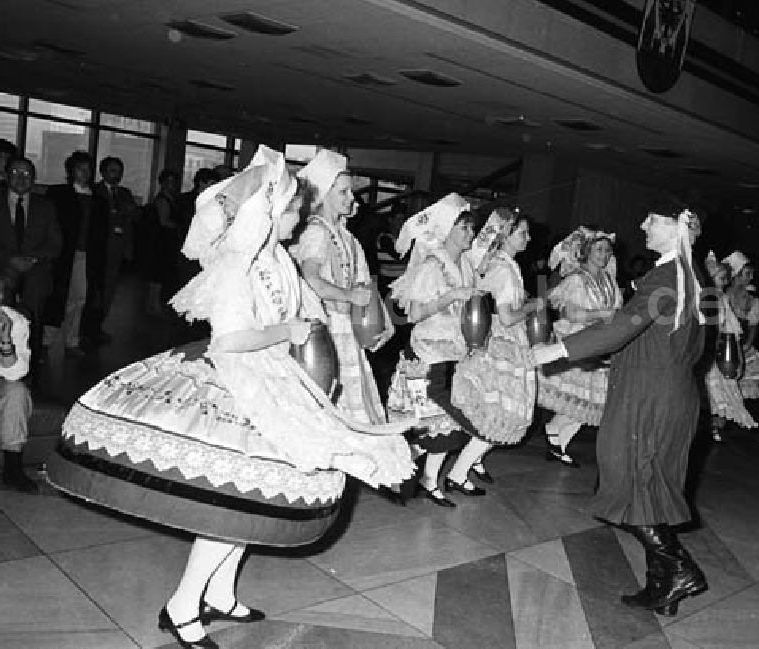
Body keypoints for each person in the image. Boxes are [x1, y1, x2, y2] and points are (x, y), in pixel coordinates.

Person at [45, 147, 413, 649]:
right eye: (291, 208)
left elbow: (304, 316)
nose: (299, 215)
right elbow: (229, 341)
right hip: (239, 382)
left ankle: (218, 590)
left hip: (275, 377)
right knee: (234, 502)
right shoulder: (240, 267)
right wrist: (288, 328)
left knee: (251, 500)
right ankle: (182, 605)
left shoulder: (279, 257)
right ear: (266, 212)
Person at [530, 196, 707, 616]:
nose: (643, 225)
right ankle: (661, 589)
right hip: (670, 391)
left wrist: (552, 352)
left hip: (648, 397)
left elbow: (620, 328)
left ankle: (680, 569)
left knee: (628, 482)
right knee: (649, 489)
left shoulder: (667, 275)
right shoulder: (691, 276)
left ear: (675, 229)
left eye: (653, 220)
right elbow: (672, 343)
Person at [386, 193, 479, 507]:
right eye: (464, 228)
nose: (470, 234)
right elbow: (412, 314)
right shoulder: (432, 265)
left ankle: (426, 477)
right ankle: (404, 467)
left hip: (452, 356)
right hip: (424, 359)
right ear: (446, 230)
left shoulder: (465, 264)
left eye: (471, 228)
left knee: (445, 427)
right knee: (431, 426)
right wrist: (452, 296)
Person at [291, 149, 394, 426]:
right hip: (326, 331)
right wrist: (348, 295)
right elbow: (311, 280)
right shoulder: (315, 233)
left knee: (355, 407)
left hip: (347, 331)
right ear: (324, 194)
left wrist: (385, 321)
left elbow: (365, 285)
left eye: (350, 192)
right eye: (343, 192)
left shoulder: (348, 238)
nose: (352, 198)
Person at [448, 209, 541, 494]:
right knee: (501, 414)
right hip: (504, 344)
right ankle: (458, 472)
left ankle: (471, 464)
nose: (528, 238)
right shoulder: (502, 267)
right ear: (506, 236)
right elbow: (509, 316)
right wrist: (533, 306)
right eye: (522, 233)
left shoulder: (507, 265)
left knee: (501, 414)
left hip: (510, 342)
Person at [537, 226, 622, 466]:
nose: (604, 255)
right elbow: (572, 313)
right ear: (586, 251)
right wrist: (604, 314)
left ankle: (558, 440)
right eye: (599, 249)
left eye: (607, 251)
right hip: (579, 339)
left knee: (594, 401)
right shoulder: (576, 279)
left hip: (601, 341)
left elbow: (617, 309)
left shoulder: (609, 281)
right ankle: (554, 434)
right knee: (580, 397)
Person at [0, 158, 61, 361]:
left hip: (35, 268)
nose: (21, 178)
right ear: (7, 175)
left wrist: (33, 258)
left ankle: (32, 358)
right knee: (0, 302)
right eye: (16, 172)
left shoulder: (46, 206)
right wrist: (10, 259)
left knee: (34, 309)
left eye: (27, 174)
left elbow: (55, 244)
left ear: (34, 179)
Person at [45, 151, 108, 354]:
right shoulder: (58, 194)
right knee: (55, 296)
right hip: (60, 254)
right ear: (71, 170)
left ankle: (72, 340)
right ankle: (46, 342)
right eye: (81, 168)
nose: (85, 173)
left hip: (86, 255)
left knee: (79, 298)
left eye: (89, 169)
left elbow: (101, 233)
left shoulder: (99, 200)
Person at [0, 265, 36, 492]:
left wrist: (5, 338)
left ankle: (12, 468)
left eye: (0, 290)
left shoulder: (16, 321)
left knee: (16, 391)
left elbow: (16, 373)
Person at [702, 251, 756, 442]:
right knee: (710, 392)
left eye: (726, 278)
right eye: (721, 277)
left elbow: (731, 331)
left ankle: (715, 428)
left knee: (724, 392)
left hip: (721, 350)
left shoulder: (723, 299)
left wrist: (738, 357)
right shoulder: (705, 298)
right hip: (706, 351)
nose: (725, 281)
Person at [92, 156, 140, 341]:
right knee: (94, 290)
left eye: (119, 172)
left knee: (110, 288)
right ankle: (88, 328)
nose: (116, 175)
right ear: (103, 172)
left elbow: (135, 216)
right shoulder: (95, 191)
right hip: (98, 248)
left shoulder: (125, 193)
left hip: (117, 247)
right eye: (112, 171)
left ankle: (99, 325)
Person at [724, 252, 759, 400]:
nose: (751, 277)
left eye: (752, 274)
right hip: (722, 347)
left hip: (740, 348)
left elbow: (753, 325)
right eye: (747, 273)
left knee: (739, 389)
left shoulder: (751, 300)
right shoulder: (722, 294)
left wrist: (748, 344)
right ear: (735, 274)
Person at [140, 169, 182, 311]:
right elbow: (164, 221)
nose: (171, 185)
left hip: (163, 240)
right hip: (161, 241)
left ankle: (152, 304)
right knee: (158, 274)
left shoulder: (169, 198)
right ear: (162, 183)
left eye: (173, 182)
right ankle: (153, 304)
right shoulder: (163, 200)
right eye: (168, 182)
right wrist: (180, 226)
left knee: (158, 274)